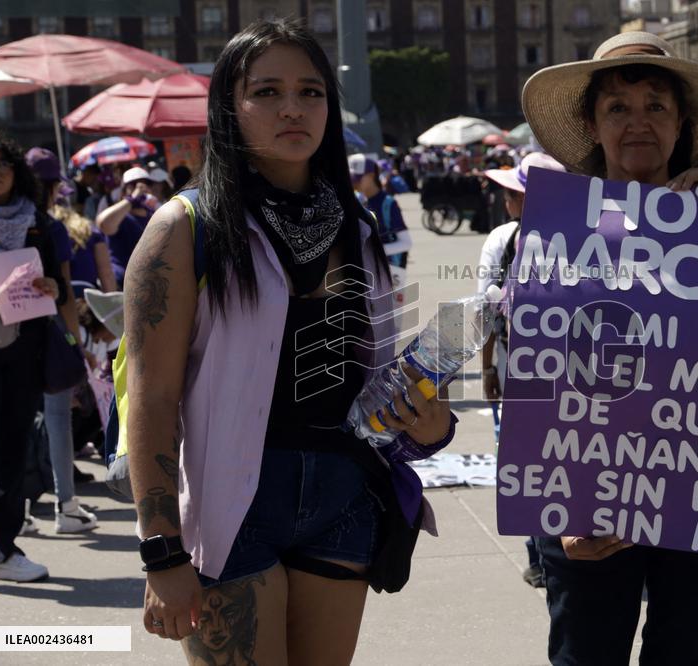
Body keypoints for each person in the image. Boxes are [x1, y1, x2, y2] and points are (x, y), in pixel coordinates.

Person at [125, 18, 457, 664]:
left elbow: (381, 383)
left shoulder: (358, 230)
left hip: (343, 499)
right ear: (229, 105)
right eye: (267, 92)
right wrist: (161, 549)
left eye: (311, 92)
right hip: (231, 510)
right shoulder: (183, 228)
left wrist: (431, 420)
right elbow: (153, 397)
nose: (292, 108)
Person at [521, 30, 698, 664]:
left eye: (656, 105)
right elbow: (534, 378)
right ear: (594, 126)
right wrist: (559, 503)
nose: (638, 122)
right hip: (586, 496)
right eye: (618, 107)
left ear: (682, 124)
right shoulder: (553, 234)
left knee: (685, 653)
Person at [0, 128, 64, 582]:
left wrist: (52, 287)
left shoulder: (37, 221)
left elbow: (55, 282)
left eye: (0, 163)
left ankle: (3, 551)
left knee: (12, 451)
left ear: (15, 172)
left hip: (24, 350)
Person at [477, 150, 566, 589]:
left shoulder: (503, 239)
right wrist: (489, 368)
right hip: (553, 370)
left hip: (535, 368)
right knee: (546, 457)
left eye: (512, 192)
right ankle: (546, 550)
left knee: (538, 458)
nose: (505, 198)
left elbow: (484, 308)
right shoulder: (508, 240)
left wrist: (488, 368)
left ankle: (548, 552)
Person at [25, 147, 100, 534]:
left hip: (4, 337)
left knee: (15, 421)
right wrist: (75, 341)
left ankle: (16, 509)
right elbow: (65, 291)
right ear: (55, 187)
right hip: (50, 334)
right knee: (57, 420)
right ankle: (65, 505)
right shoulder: (50, 227)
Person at [95, 165, 159, 287]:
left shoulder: (154, 214)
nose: (141, 188)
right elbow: (103, 224)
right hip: (124, 284)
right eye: (133, 185)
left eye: (147, 184)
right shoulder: (120, 216)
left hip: (150, 284)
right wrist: (132, 198)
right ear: (124, 191)